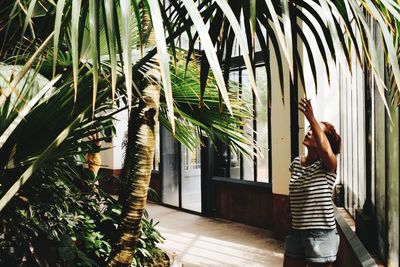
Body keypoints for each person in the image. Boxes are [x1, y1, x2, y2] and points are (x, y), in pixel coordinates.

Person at [283, 98, 341, 267]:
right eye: (309, 129)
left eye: (314, 131)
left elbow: (325, 151)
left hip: (321, 234)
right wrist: (287, 211)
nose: (309, 131)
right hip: (296, 231)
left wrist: (312, 119)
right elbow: (294, 192)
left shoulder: (327, 166)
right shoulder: (296, 163)